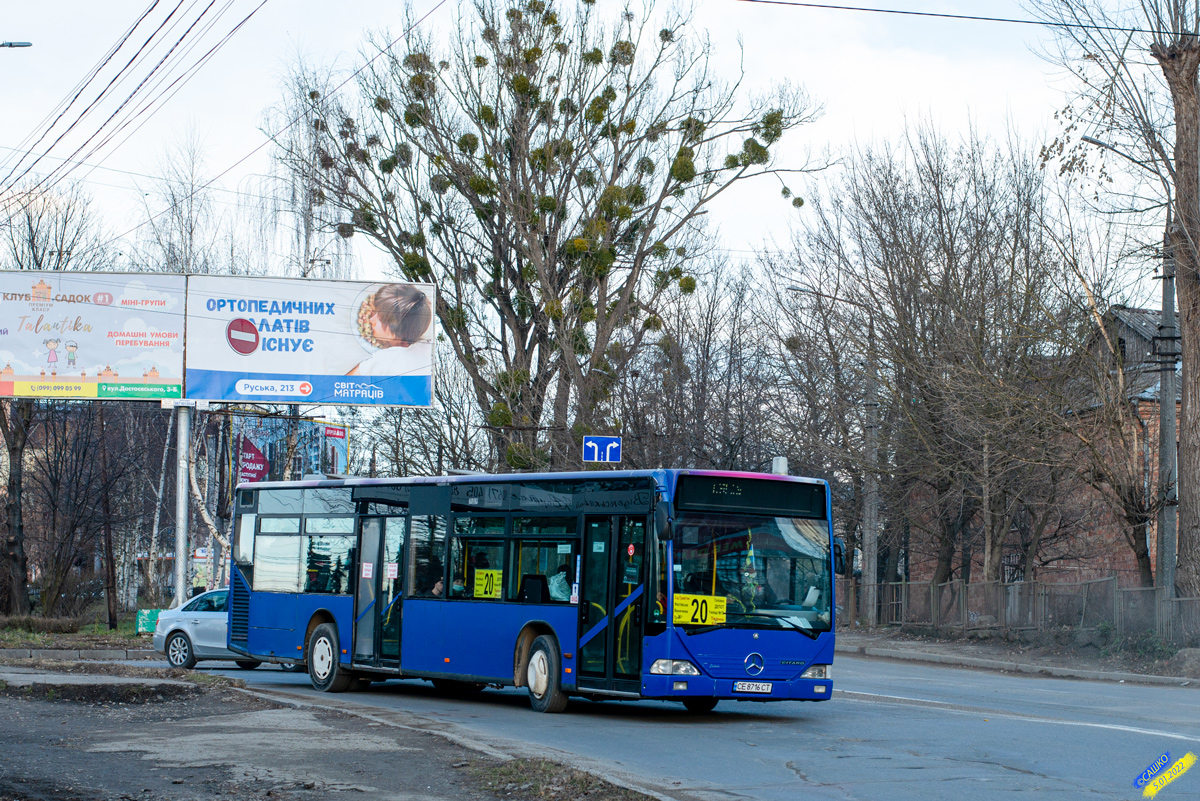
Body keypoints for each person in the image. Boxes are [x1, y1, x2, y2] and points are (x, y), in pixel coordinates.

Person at [348, 284, 434, 377]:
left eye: (381, 318)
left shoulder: (385, 361)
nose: (372, 320)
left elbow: (340, 384)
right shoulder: (426, 351)